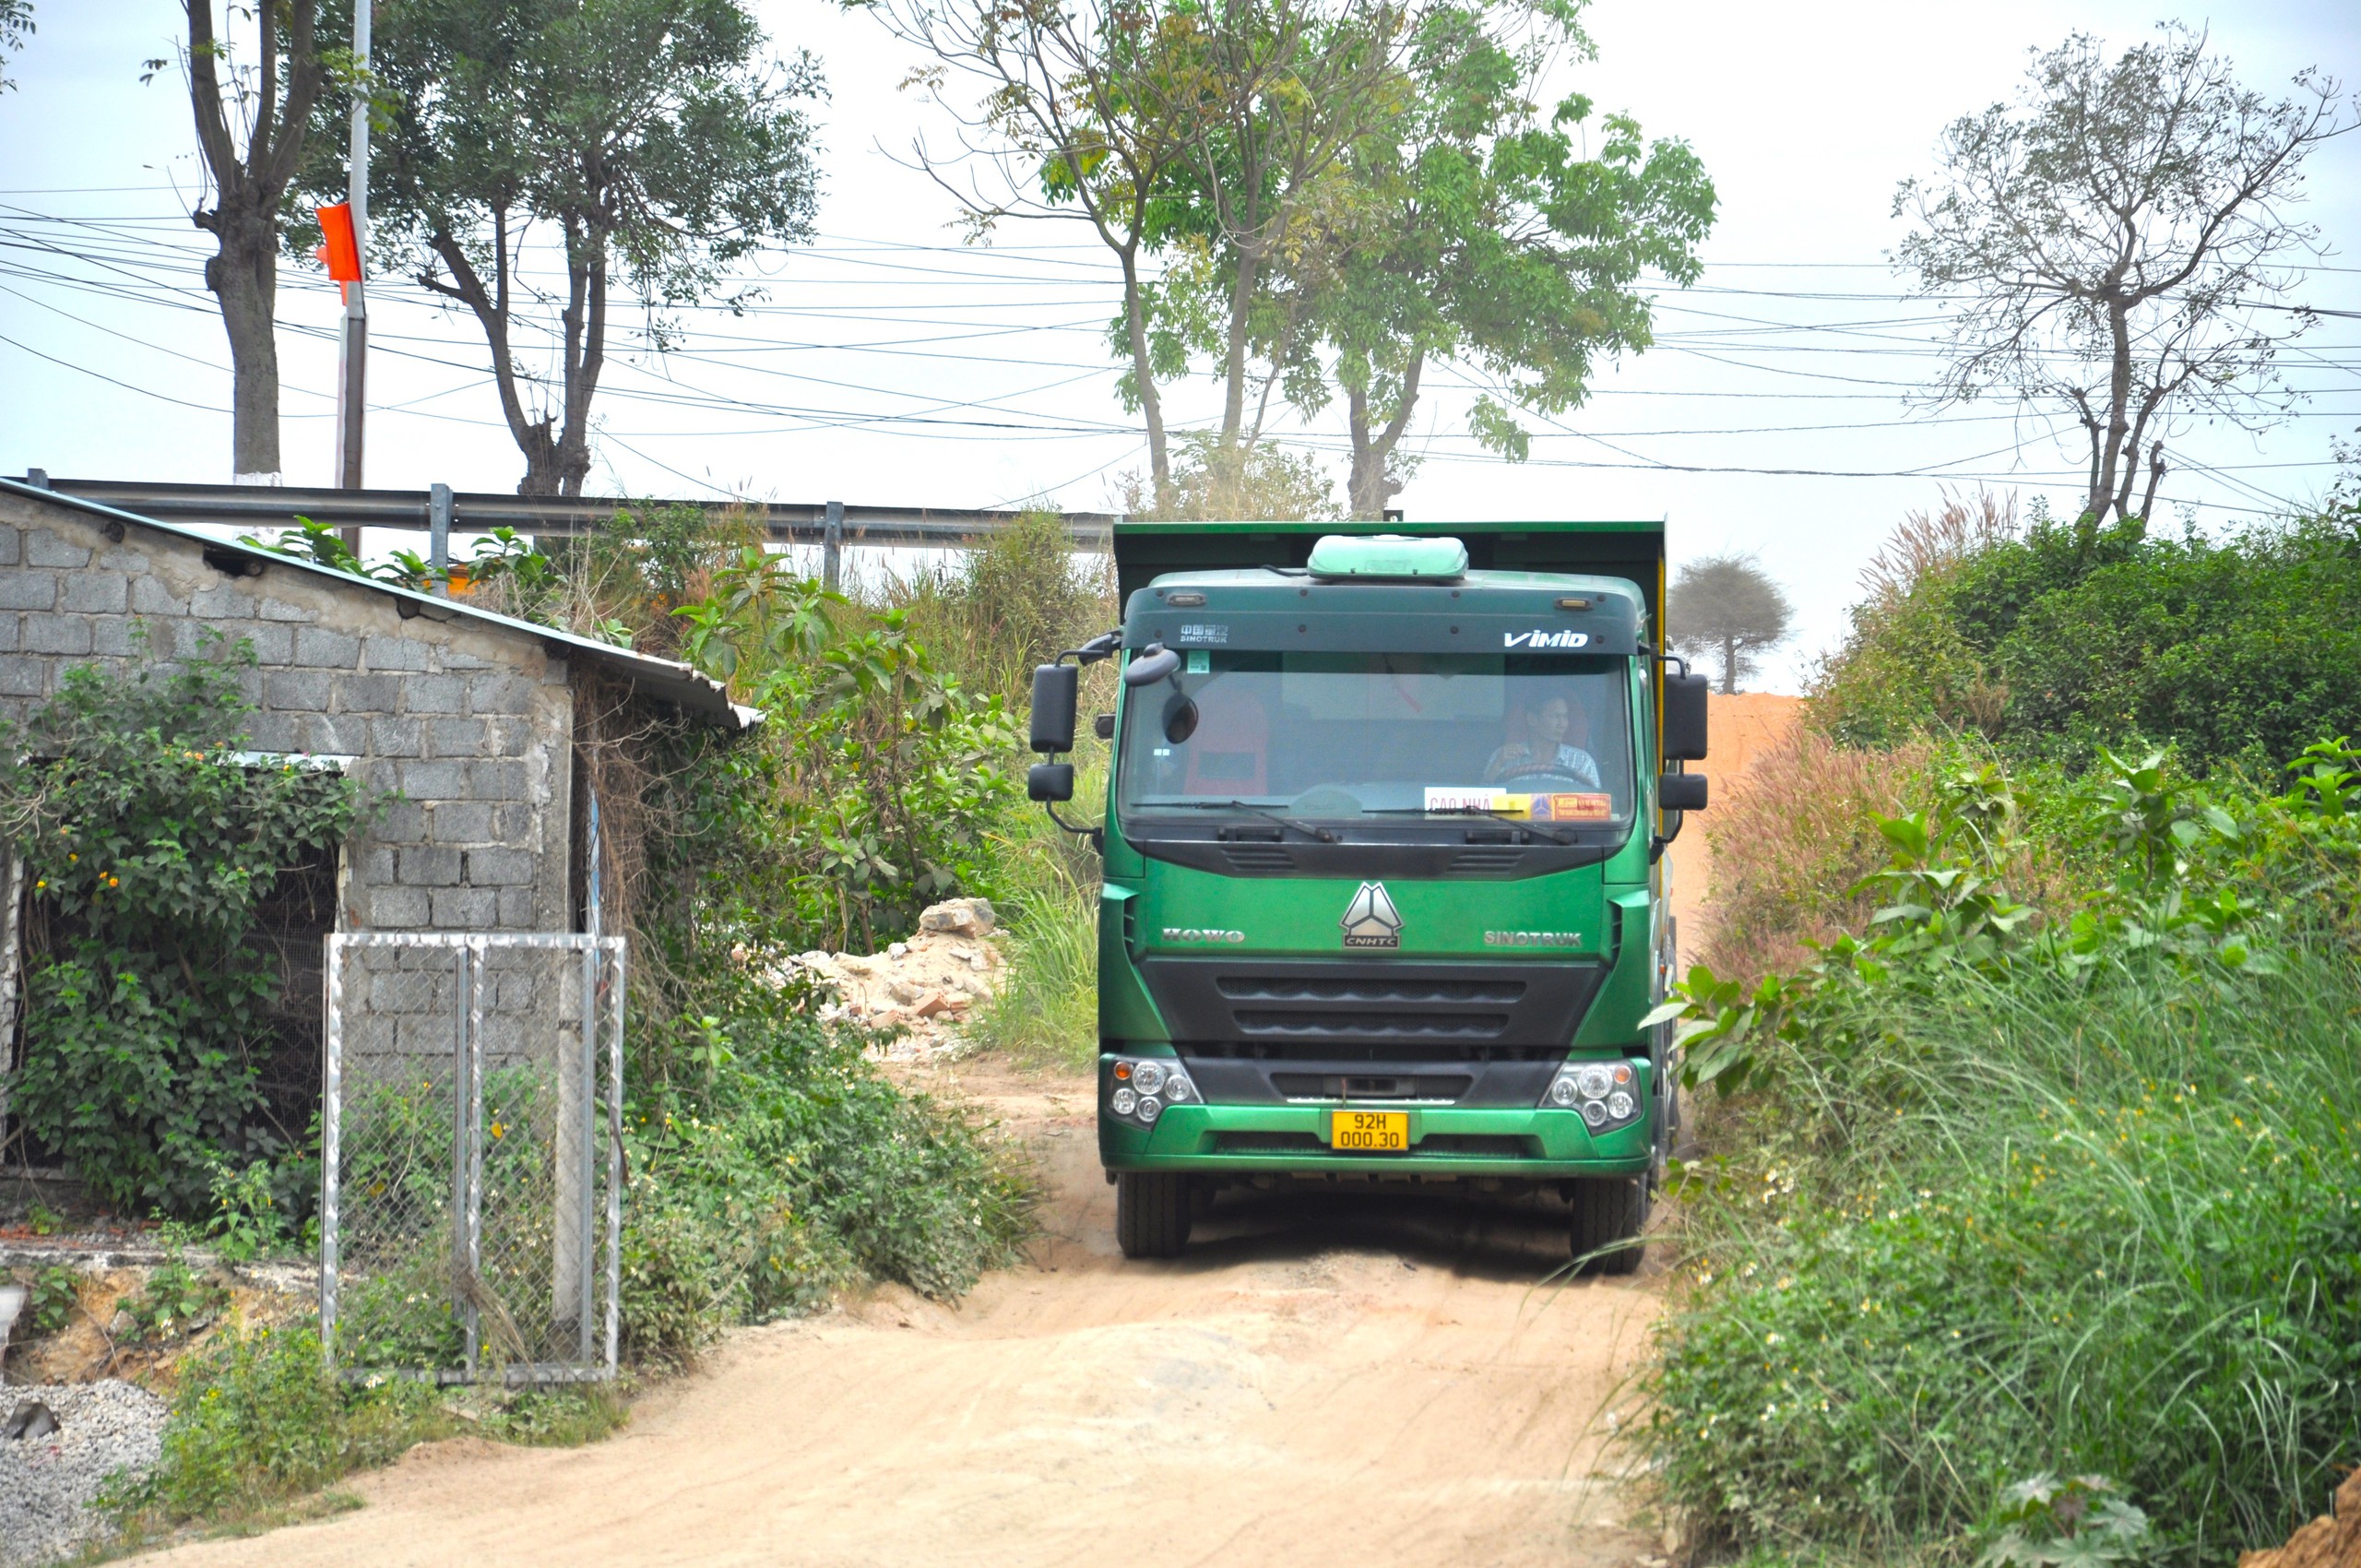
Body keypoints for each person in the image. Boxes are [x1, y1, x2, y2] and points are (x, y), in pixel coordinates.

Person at [1483, 694, 1602, 787]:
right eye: (1556, 717)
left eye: (1565, 717)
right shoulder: (1502, 757)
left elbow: (1598, 805)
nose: (1563, 724)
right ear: (1532, 719)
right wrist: (1498, 763)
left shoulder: (1582, 762)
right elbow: (1482, 803)